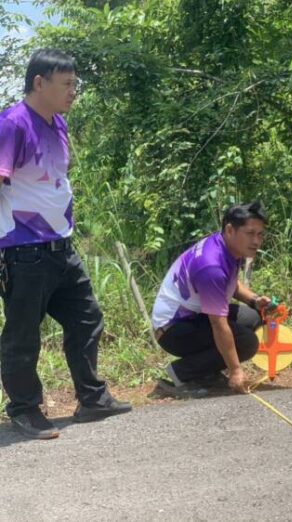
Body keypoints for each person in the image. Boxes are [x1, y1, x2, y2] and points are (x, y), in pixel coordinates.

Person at [0, 49, 131, 440]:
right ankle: (25, 409)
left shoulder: (58, 123)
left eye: (76, 83)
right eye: (67, 84)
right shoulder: (12, 124)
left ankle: (92, 398)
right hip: (23, 251)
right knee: (23, 335)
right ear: (39, 83)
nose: (74, 91)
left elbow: (56, 178)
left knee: (86, 318)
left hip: (61, 247)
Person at [152, 202, 271, 396]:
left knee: (254, 316)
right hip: (172, 329)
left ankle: (206, 372)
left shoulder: (225, 245)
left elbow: (229, 283)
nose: (256, 241)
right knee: (247, 342)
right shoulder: (211, 266)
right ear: (230, 230)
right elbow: (218, 324)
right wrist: (236, 371)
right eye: (250, 233)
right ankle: (182, 373)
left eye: (260, 234)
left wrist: (254, 300)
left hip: (193, 316)